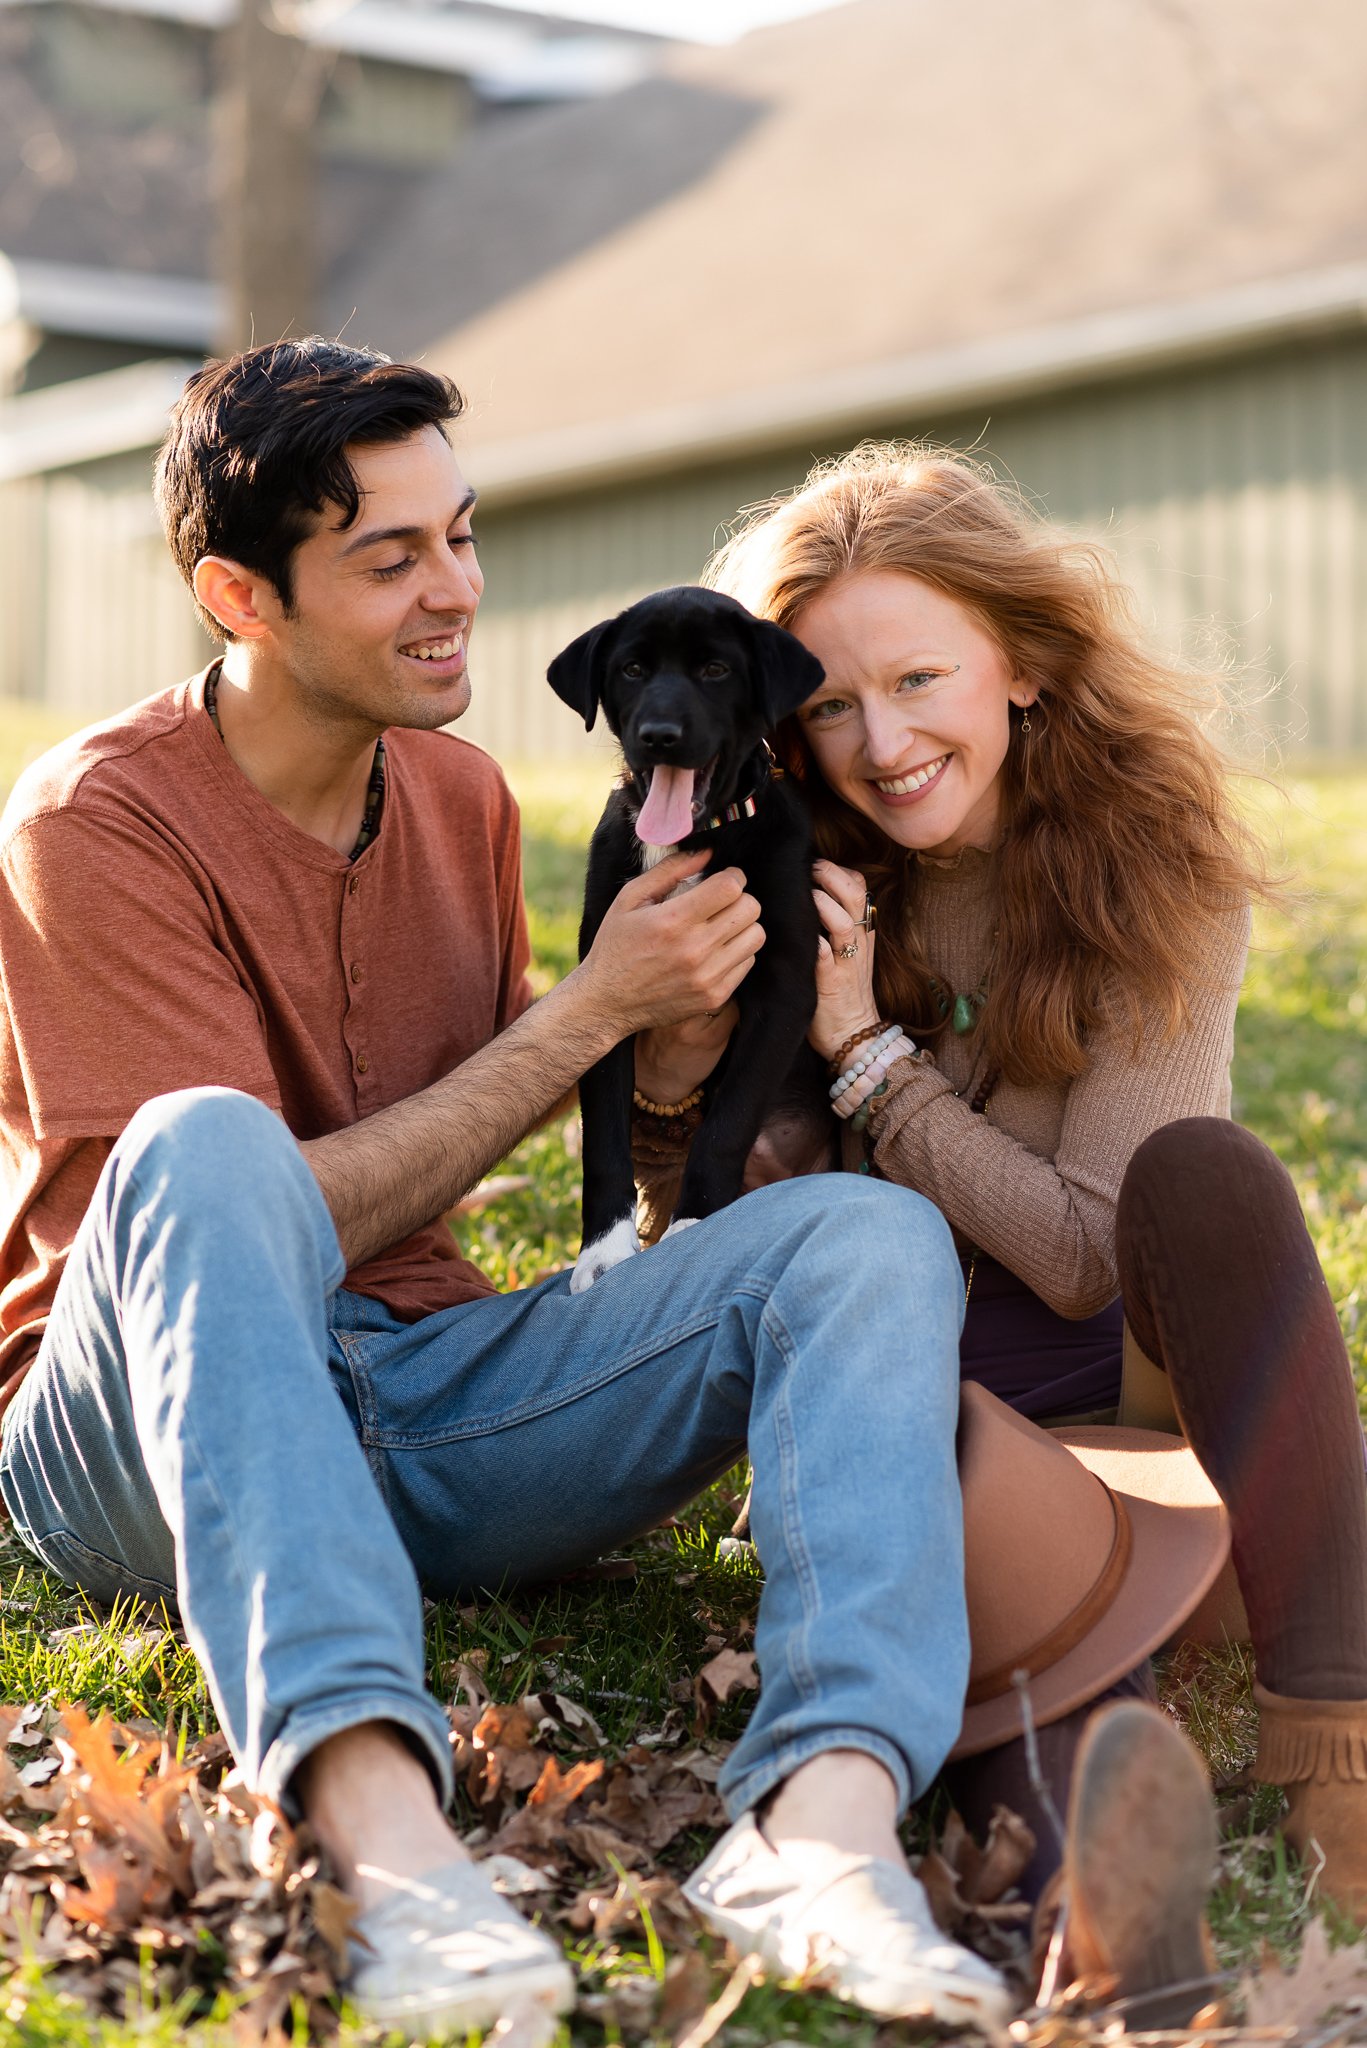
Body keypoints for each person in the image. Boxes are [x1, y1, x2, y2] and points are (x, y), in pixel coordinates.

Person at [0, 347, 1018, 2036]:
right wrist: (589, 1013)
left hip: (418, 1399)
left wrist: (672, 1032)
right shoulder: (93, 823)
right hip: (134, 1448)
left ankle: (820, 1829)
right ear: (237, 594)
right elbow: (217, 1244)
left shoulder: (466, 795)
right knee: (202, 1143)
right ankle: (387, 1846)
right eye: (390, 560)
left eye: (461, 538)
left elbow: (571, 1120)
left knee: (864, 1230)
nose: (454, 594)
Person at [634, 441, 1367, 1926]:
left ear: (1021, 663)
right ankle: (1110, 1918)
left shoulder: (1153, 865)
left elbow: (1089, 1258)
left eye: (919, 680)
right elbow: (698, 1246)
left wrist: (867, 1062)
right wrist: (677, 1060)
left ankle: (1335, 1744)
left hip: (1147, 1425)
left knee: (1208, 1176)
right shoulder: (788, 881)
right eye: (830, 702)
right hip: (922, 1447)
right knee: (961, 1549)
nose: (880, 741)